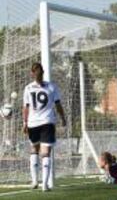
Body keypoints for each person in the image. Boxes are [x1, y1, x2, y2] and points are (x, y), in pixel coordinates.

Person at [23, 62, 66, 192]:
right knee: (45, 152)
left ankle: (35, 181)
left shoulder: (28, 88)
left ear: (32, 74)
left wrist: (24, 123)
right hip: (47, 122)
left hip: (33, 123)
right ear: (43, 72)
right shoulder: (52, 87)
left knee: (34, 149)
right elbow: (58, 105)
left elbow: (26, 107)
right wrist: (63, 118)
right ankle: (45, 185)